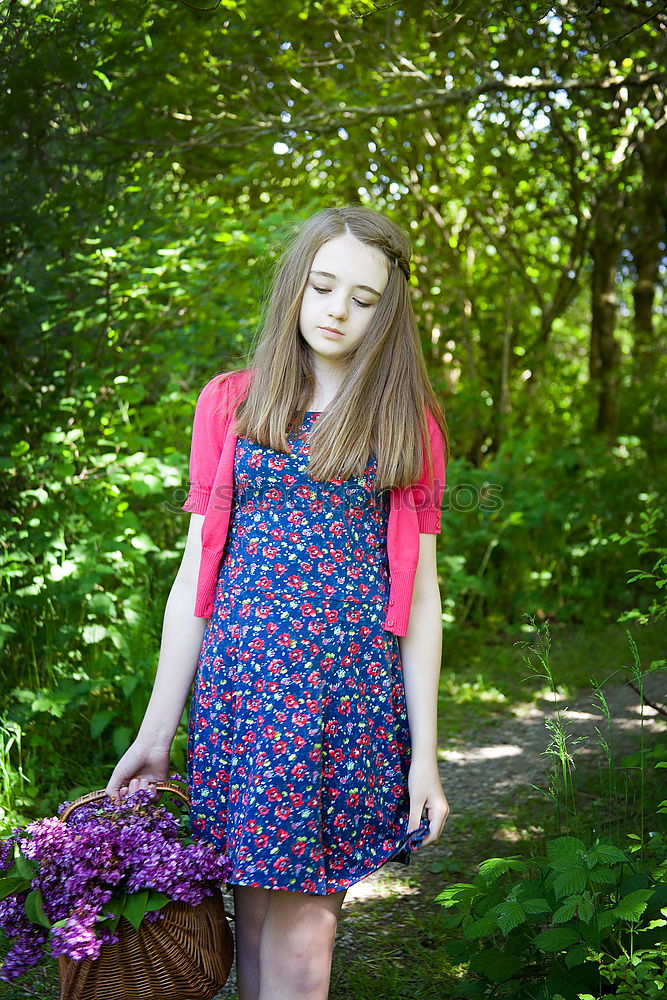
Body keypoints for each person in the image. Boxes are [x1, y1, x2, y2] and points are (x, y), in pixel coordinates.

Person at [106, 204, 451, 1000]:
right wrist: (158, 732)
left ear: (387, 311)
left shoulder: (407, 424)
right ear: (295, 286)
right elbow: (196, 573)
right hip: (242, 695)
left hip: (342, 702)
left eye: (363, 299)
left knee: (301, 920)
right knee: (254, 913)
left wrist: (424, 757)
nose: (337, 309)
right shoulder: (231, 402)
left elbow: (421, 594)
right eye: (323, 286)